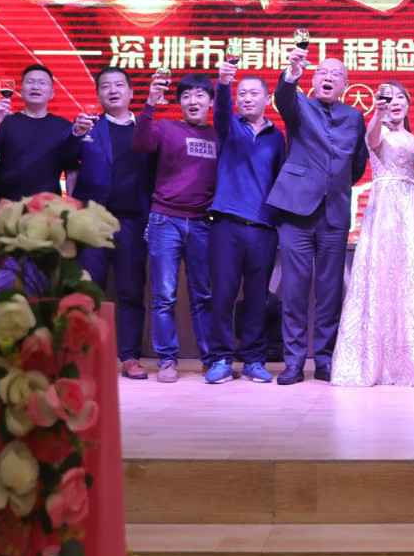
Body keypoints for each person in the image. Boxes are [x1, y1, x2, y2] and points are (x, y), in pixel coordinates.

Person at [267, 53, 369, 385]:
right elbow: (284, 96)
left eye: (335, 74)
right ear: (313, 80)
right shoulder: (299, 106)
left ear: (345, 85)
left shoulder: (354, 117)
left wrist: (334, 186)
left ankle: (325, 359)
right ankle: (294, 362)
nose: (328, 77)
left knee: (329, 292)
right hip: (295, 211)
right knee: (294, 290)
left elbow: (358, 163)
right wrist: (291, 72)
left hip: (334, 213)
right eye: (322, 72)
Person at [333, 82, 414, 386]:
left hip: (411, 210)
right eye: (389, 98)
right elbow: (371, 140)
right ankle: (374, 361)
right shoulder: (378, 131)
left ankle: (411, 362)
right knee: (382, 275)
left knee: (409, 279)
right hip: (385, 211)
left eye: (400, 98)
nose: (395, 103)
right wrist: (377, 114)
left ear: (408, 103)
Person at [134, 72, 219, 384]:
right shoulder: (166, 128)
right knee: (164, 296)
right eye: (186, 96)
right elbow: (141, 143)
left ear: (211, 102)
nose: (192, 101)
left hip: (202, 223)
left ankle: (210, 360)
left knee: (204, 295)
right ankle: (167, 359)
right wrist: (149, 105)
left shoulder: (219, 134)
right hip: (165, 220)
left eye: (199, 95)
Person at [70, 68, 154, 380]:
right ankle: (85, 357)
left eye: (119, 85)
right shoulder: (88, 127)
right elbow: (66, 160)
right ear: (98, 94)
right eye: (106, 86)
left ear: (131, 93)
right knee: (88, 290)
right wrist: (75, 135)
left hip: (132, 221)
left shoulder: (146, 129)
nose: (113, 91)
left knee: (131, 291)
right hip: (93, 219)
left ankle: (129, 357)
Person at [207, 60, 286, 383]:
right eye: (242, 93)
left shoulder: (276, 137)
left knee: (257, 298)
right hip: (226, 224)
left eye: (254, 93)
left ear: (267, 98)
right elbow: (221, 111)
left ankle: (254, 359)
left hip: (263, 229)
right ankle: (221, 358)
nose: (247, 98)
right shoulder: (229, 126)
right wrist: (224, 84)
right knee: (223, 295)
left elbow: (279, 180)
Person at [0, 63, 81, 203]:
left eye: (42, 83)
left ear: (52, 93)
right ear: (21, 91)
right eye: (30, 82)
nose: (35, 87)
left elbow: (71, 171)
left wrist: (71, 205)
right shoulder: (6, 122)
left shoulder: (64, 127)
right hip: (6, 206)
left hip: (47, 208)